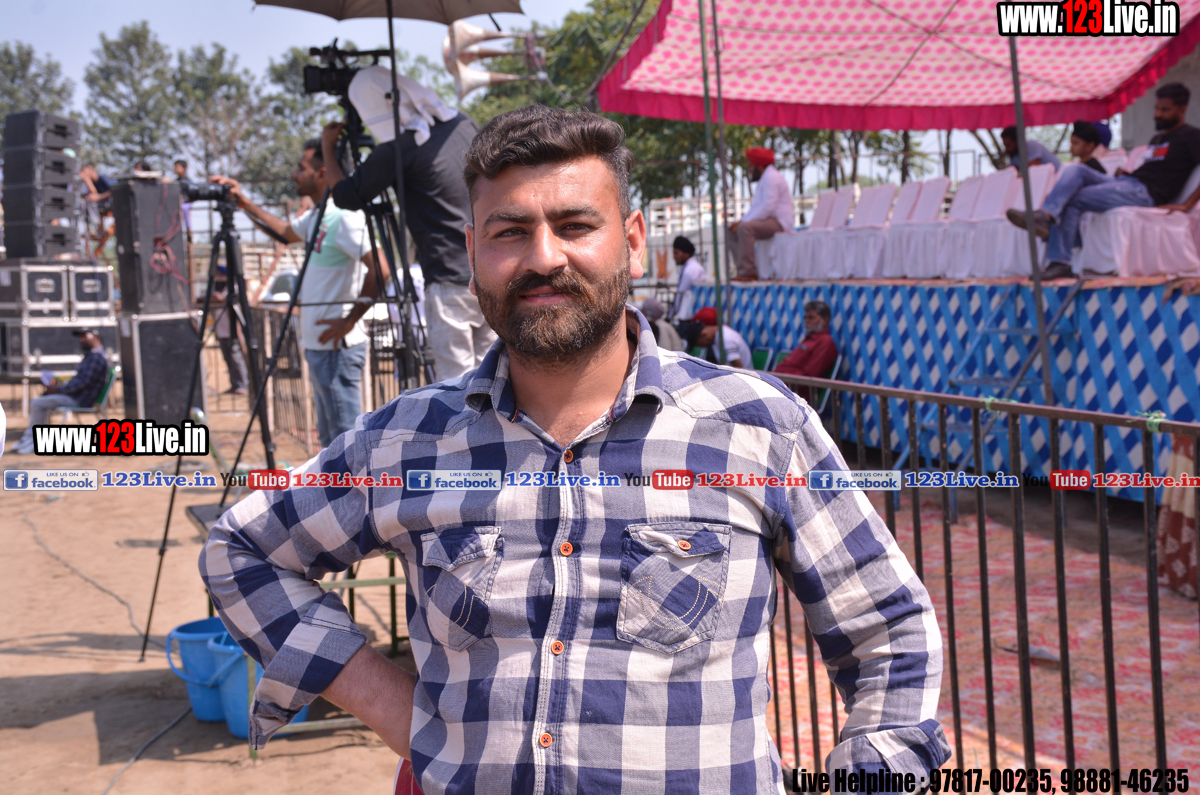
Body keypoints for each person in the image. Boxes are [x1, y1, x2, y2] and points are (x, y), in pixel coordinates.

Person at [201, 105, 949, 793]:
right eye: (509, 232)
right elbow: (243, 550)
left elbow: (890, 632)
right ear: (471, 253)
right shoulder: (407, 441)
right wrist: (398, 710)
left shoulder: (759, 429)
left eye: (574, 225)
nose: (544, 257)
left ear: (633, 240)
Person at [210, 140, 385, 448]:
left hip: (337, 350)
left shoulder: (344, 217)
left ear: (322, 173)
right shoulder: (318, 216)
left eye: (301, 168)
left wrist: (349, 321)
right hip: (321, 348)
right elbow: (285, 232)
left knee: (347, 444)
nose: (294, 174)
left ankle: (355, 483)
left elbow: (380, 270)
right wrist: (244, 203)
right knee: (331, 440)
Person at [322, 73, 495, 382]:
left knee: (457, 387)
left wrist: (327, 148)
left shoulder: (400, 149)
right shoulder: (461, 124)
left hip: (447, 279)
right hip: (491, 269)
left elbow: (346, 196)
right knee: (494, 377)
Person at [1007, 83, 1200, 279]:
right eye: (1156, 108)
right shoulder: (1157, 139)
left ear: (1182, 109)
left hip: (1144, 194)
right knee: (1077, 170)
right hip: (1128, 183)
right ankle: (1047, 215)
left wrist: (1187, 204)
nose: (1158, 114)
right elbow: (1157, 169)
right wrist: (1129, 173)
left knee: (1073, 198)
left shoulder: (1191, 136)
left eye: (1165, 110)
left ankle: (1059, 260)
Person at [14, 328, 109, 454]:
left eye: (85, 336)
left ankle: (33, 440)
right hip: (75, 396)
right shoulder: (91, 356)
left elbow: (83, 383)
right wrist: (58, 388)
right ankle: (30, 438)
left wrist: (59, 390)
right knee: (41, 400)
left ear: (96, 338)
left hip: (79, 399)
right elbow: (79, 381)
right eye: (80, 337)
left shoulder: (97, 357)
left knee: (37, 403)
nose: (81, 340)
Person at [727, 146, 794, 281]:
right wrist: (741, 221)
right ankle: (741, 270)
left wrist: (744, 223)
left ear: (759, 166)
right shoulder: (766, 178)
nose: (749, 170)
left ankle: (748, 272)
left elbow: (768, 207)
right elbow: (757, 208)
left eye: (751, 166)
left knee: (745, 228)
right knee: (731, 230)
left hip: (780, 222)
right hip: (768, 220)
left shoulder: (771, 178)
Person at [773, 300, 839, 404]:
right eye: (805, 318)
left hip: (792, 395)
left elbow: (810, 375)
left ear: (825, 320)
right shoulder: (809, 340)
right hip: (780, 387)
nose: (806, 321)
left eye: (811, 318)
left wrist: (780, 385)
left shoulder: (825, 342)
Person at [209, 265, 248, 395]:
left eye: (220, 274)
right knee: (227, 359)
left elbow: (236, 300)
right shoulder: (215, 288)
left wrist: (222, 299)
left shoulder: (233, 287)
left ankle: (243, 384)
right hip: (221, 330)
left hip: (233, 330)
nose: (218, 277)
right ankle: (234, 384)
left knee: (236, 358)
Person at [688, 305, 754, 368]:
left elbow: (739, 369)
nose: (702, 347)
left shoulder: (726, 338)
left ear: (704, 334)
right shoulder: (717, 336)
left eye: (701, 344)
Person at [666, 235, 705, 321]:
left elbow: (680, 295)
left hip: (689, 317)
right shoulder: (689, 267)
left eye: (676, 253)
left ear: (686, 254)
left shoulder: (691, 270)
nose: (674, 257)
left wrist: (670, 317)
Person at [79, 163, 115, 255]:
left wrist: (99, 197)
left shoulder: (103, 178)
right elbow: (92, 193)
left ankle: (98, 227)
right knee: (88, 201)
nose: (83, 173)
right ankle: (93, 227)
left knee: (92, 202)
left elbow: (113, 190)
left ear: (91, 170)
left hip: (112, 203)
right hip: (101, 205)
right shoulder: (90, 182)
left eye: (84, 171)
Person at [175, 159, 194, 240]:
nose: (175, 169)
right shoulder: (176, 181)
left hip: (186, 204)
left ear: (184, 168)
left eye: (178, 167)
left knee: (187, 222)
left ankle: (190, 240)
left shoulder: (188, 182)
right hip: (177, 204)